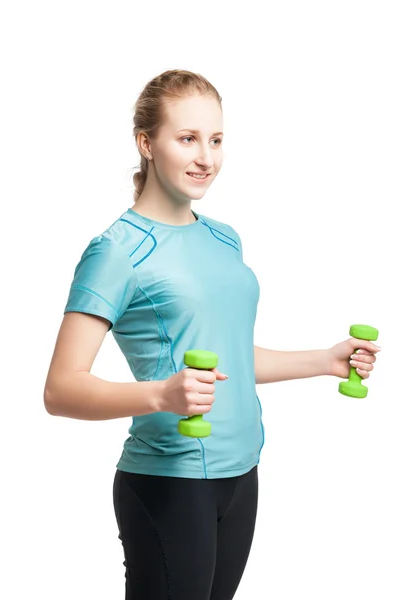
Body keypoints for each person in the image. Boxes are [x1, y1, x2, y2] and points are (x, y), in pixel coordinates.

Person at [43, 69, 381, 600]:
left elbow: (227, 359)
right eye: (187, 138)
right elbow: (60, 389)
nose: (207, 157)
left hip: (242, 471)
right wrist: (160, 394)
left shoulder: (224, 238)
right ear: (146, 143)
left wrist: (326, 360)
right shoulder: (116, 250)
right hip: (169, 482)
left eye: (216, 139)